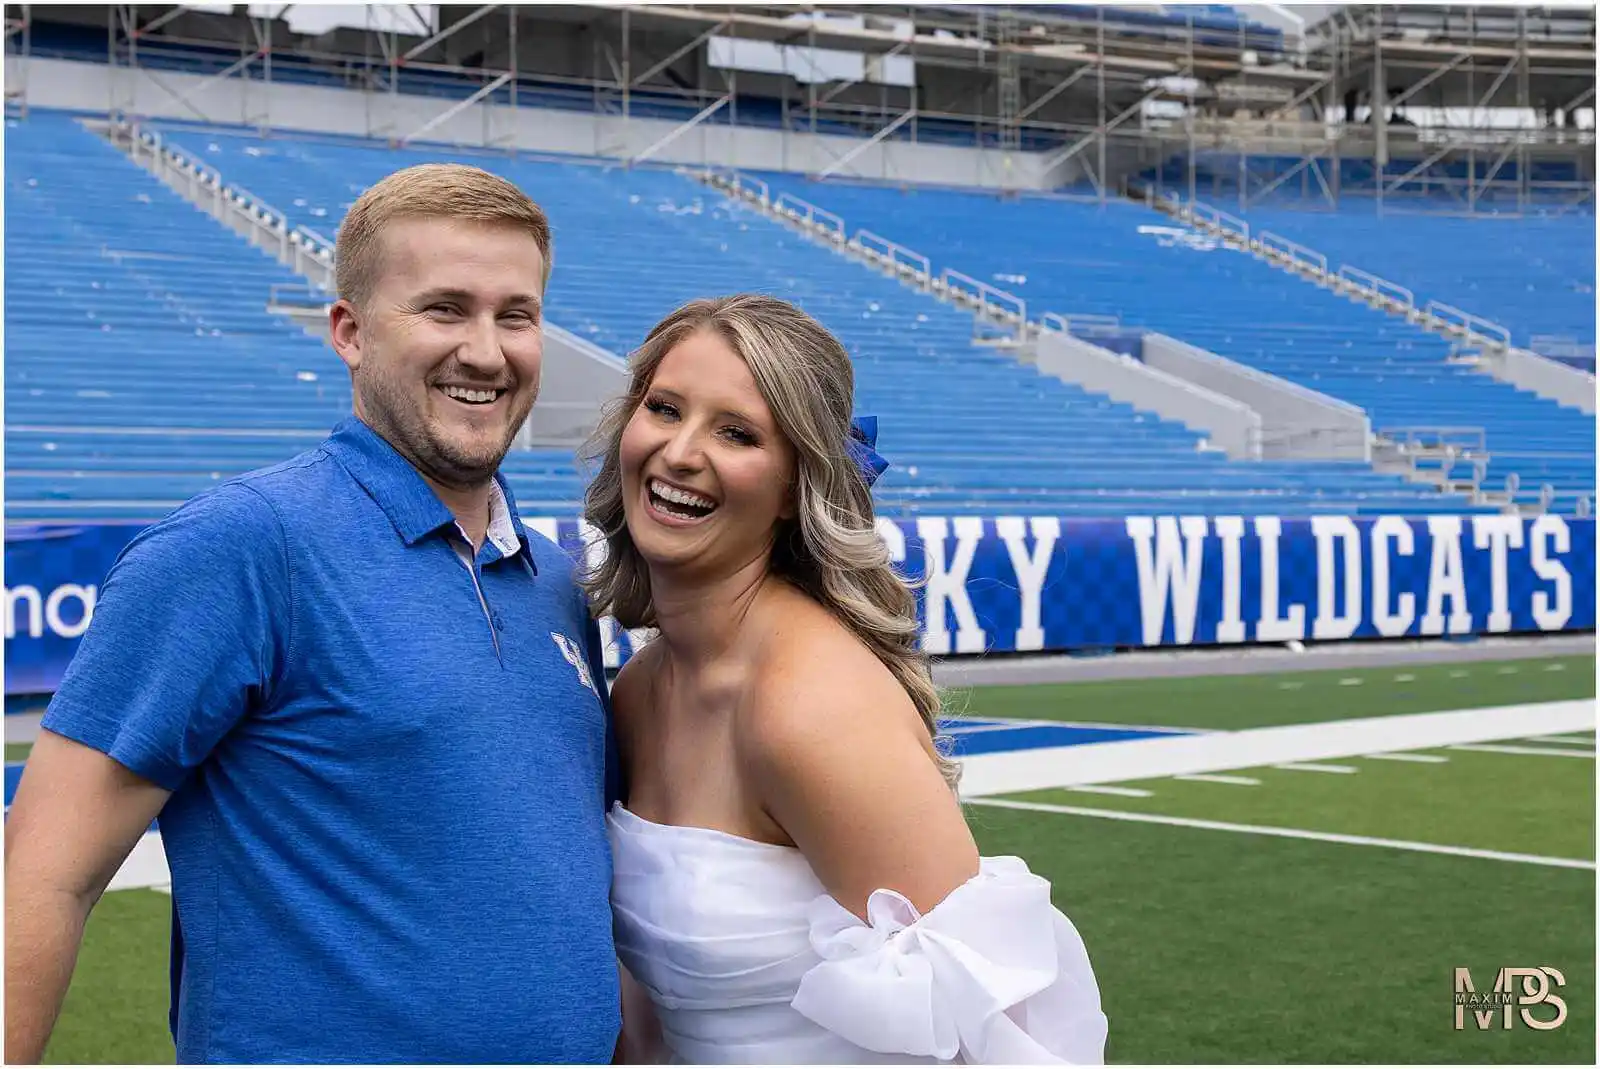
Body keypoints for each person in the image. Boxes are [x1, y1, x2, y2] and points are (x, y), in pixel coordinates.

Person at [4, 163, 621, 1065]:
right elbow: (44, 875)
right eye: (444, 308)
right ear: (350, 332)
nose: (486, 351)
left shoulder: (557, 584)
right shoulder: (240, 547)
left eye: (514, 315)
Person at [581, 293, 1108, 1063]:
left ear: (797, 486)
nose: (682, 452)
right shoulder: (639, 689)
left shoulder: (808, 705)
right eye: (664, 408)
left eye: (737, 433)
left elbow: (991, 1035)